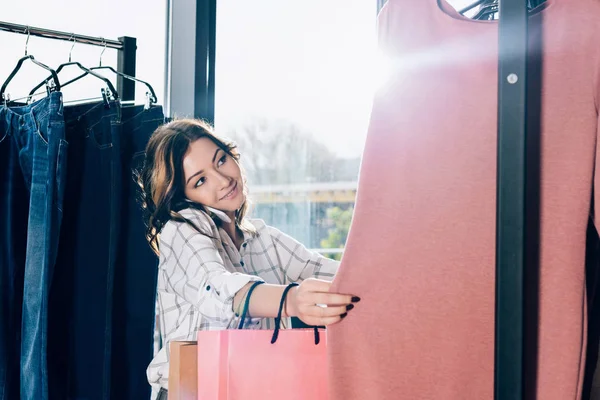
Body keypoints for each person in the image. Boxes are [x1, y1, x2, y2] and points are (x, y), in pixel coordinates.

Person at [137, 118, 359, 397]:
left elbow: (336, 275)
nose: (223, 180)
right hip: (192, 392)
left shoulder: (264, 238)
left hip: (254, 388)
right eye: (201, 180)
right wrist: (291, 300)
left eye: (220, 160)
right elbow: (215, 288)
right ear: (182, 196)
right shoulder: (181, 228)